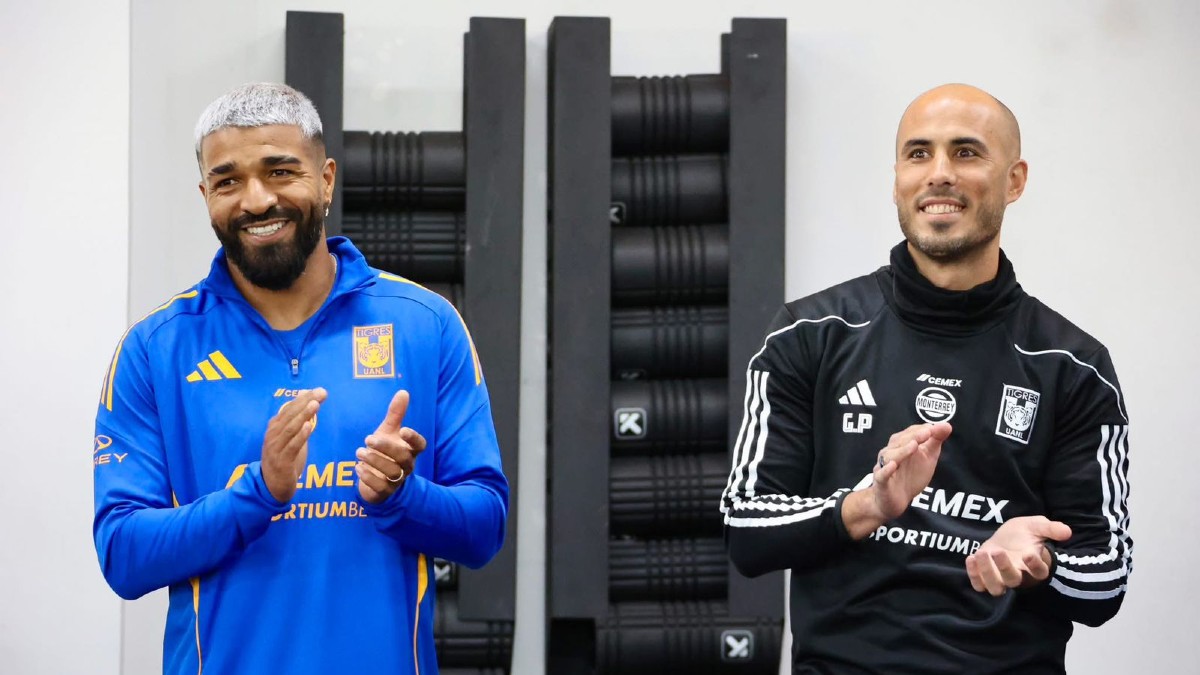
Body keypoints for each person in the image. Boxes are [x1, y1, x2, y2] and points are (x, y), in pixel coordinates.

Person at [92, 82, 508, 675]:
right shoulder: (155, 348)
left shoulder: (426, 324)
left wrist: (402, 497)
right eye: (228, 180)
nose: (256, 201)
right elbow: (123, 556)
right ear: (205, 194)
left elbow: (484, 528)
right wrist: (256, 494)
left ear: (327, 179)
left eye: (281, 171)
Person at [720, 83, 1130, 674]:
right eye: (919, 154)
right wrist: (871, 503)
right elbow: (748, 530)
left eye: (966, 152)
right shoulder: (808, 333)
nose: (939, 174)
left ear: (1014, 180)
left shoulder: (1073, 366)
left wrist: (1041, 562)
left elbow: (1105, 584)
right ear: (896, 181)